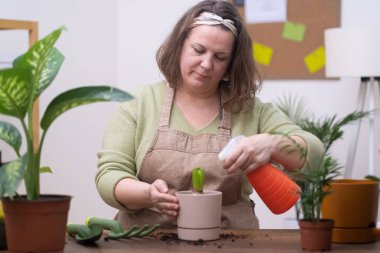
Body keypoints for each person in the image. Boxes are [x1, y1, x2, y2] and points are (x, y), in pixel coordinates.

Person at [96, 0, 324, 229]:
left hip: (232, 242)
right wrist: (147, 194)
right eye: (199, 50)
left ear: (231, 64)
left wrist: (272, 143)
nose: (206, 64)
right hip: (144, 240)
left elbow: (314, 156)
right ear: (180, 45)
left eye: (220, 57)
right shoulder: (139, 104)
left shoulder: (249, 110)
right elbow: (109, 176)